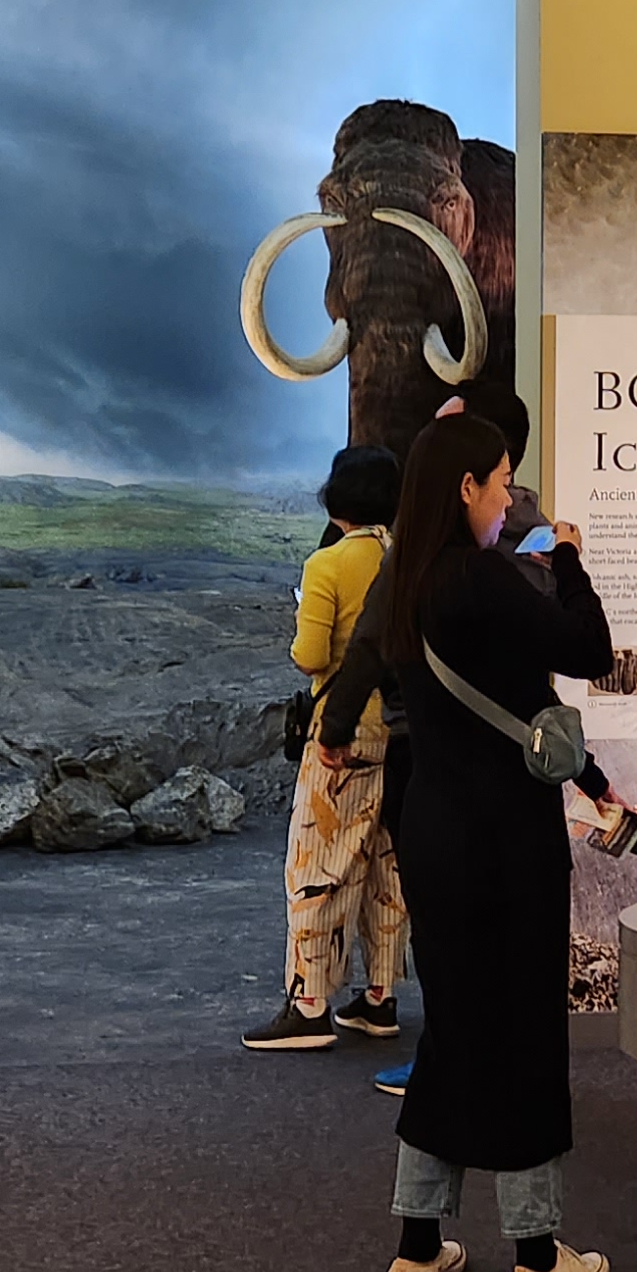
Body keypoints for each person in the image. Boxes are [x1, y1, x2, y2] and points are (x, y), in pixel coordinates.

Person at [356, 407, 616, 1272]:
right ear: (466, 487)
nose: (509, 501)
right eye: (502, 483)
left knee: (456, 1028)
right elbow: (589, 651)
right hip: (507, 843)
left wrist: (593, 776)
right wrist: (570, 558)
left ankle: (417, 1246)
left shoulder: (406, 585)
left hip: (434, 834)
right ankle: (538, 1257)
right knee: (525, 1034)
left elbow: (507, 703)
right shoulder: (482, 579)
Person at [246, 445, 409, 1051]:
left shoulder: (329, 564)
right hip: (401, 732)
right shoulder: (405, 557)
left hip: (343, 733)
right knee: (386, 867)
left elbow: (311, 655)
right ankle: (380, 997)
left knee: (316, 866)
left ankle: (309, 1003)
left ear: (336, 499)